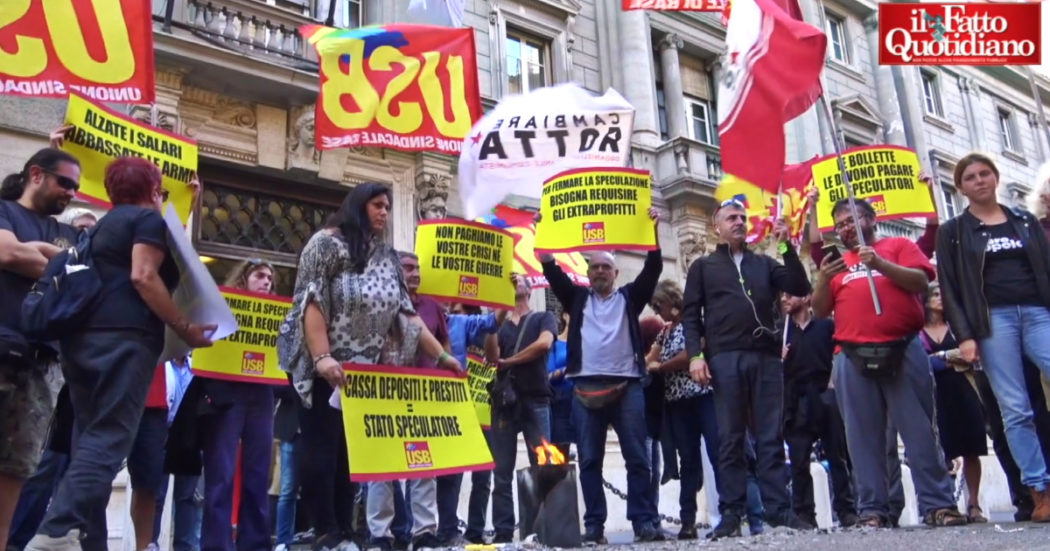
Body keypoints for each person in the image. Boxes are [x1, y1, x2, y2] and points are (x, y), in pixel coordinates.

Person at [26, 156, 216, 551]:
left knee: (90, 437)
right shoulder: (147, 222)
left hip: (81, 344)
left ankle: (79, 537)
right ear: (151, 190)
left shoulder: (97, 232)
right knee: (110, 438)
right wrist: (184, 327)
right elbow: (143, 275)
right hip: (125, 341)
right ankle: (57, 531)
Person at [277, 183, 460, 551]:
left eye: (388, 207)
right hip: (317, 363)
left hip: (360, 372)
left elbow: (407, 315)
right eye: (377, 205)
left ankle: (345, 530)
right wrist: (323, 357)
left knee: (350, 453)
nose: (384, 213)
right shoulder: (324, 245)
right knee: (322, 447)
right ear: (359, 206)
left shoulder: (386, 256)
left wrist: (442, 356)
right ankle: (326, 531)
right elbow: (311, 302)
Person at [812, 197, 965, 528]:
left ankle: (938, 504)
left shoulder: (898, 245)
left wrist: (880, 264)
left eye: (852, 220)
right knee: (862, 437)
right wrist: (823, 279)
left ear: (871, 218)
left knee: (919, 430)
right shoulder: (839, 264)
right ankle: (873, 510)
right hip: (851, 356)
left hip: (902, 348)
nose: (846, 229)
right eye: (839, 225)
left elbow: (921, 283)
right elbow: (821, 310)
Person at [681, 200, 811, 538]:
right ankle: (731, 513)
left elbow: (800, 286)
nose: (739, 222)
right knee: (730, 438)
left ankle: (778, 509)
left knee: (771, 435)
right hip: (725, 358)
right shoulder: (704, 267)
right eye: (732, 218)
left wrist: (786, 245)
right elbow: (691, 316)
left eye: (743, 217)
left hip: (765, 357)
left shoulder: (764, 263)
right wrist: (696, 355)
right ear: (717, 226)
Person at [935, 152, 1050, 521]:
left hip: (1038, 313)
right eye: (971, 177)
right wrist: (965, 336)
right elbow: (950, 289)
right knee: (1015, 408)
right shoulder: (953, 232)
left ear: (996, 178)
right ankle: (1040, 492)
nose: (980, 181)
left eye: (985, 173)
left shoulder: (1024, 220)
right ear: (961, 187)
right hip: (993, 322)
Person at [539, 207, 664, 544]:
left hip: (628, 388)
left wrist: (653, 230)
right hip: (585, 390)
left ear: (616, 271)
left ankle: (644, 522)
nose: (599, 272)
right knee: (590, 459)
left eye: (605, 267)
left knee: (637, 457)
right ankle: (594, 526)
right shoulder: (576, 298)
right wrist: (544, 234)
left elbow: (653, 268)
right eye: (594, 267)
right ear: (587, 271)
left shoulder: (630, 298)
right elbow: (551, 271)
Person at [0, 147, 81, 549]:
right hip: (1, 348)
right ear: (36, 174)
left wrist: (48, 258)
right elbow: (7, 251)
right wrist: (59, 264)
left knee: (16, 470)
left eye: (76, 187)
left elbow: (82, 280)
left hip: (39, 365)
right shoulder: (4, 211)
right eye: (64, 182)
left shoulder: (63, 233)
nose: (71, 192)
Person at [196, 260, 280, 551]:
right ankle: (216, 545)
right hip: (227, 394)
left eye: (270, 277)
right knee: (221, 473)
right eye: (260, 275)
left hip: (262, 395)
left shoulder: (278, 317)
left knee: (259, 473)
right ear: (244, 278)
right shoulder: (222, 307)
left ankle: (255, 543)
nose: (267, 281)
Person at [484, 276, 557, 543]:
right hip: (504, 403)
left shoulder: (544, 317)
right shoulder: (499, 325)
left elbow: (543, 344)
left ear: (531, 288)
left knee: (542, 465)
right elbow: (491, 355)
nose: (516, 282)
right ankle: (503, 531)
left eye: (521, 279)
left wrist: (509, 362)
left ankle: (541, 528)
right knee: (501, 471)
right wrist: (496, 315)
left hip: (536, 399)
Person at [645, 280, 717, 540]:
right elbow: (651, 358)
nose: (657, 311)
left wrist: (662, 368)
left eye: (658, 305)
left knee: (717, 451)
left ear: (671, 301)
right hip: (677, 403)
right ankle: (688, 521)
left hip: (702, 396)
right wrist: (648, 363)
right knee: (688, 461)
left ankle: (731, 510)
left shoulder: (693, 322)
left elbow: (691, 353)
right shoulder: (664, 332)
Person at [779, 293, 857, 529]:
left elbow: (844, 351)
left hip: (824, 392)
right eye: (783, 295)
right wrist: (778, 358)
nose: (784, 299)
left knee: (837, 456)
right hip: (796, 398)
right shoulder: (781, 331)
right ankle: (804, 513)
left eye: (790, 295)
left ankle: (846, 509)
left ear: (806, 297)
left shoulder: (826, 325)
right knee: (799, 458)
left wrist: (835, 382)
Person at [396, 251, 455, 546]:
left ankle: (424, 532)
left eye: (417, 268)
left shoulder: (432, 306)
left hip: (426, 394)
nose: (416, 273)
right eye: (408, 268)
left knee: (424, 462)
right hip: (389, 393)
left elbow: (443, 340)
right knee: (384, 467)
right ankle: (382, 533)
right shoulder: (384, 300)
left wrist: (444, 364)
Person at [920, 282, 989, 523]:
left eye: (943, 293)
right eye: (935, 294)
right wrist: (948, 359)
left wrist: (940, 357)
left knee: (972, 448)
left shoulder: (956, 327)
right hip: (934, 394)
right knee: (941, 449)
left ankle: (974, 504)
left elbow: (969, 355)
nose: (940, 298)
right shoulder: (918, 330)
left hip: (964, 389)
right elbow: (919, 362)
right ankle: (945, 504)